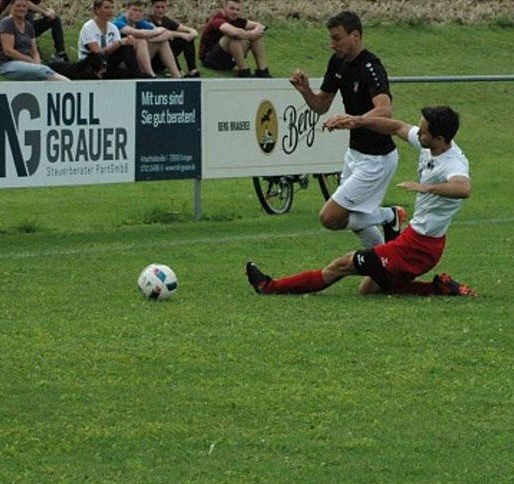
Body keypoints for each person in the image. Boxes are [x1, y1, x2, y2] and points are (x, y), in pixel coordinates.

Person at [246, 106, 476, 297]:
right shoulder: (431, 144)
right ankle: (440, 288)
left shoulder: (453, 163)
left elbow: (464, 188)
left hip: (418, 248)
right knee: (369, 290)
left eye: (424, 133)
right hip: (417, 241)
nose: (419, 135)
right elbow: (397, 127)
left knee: (341, 265)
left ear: (440, 139)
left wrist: (427, 188)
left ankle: (269, 286)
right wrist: (358, 121)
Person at [289, 10, 400, 249]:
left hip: (377, 158)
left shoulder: (371, 67)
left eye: (337, 38)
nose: (332, 44)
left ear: (355, 35)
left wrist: (355, 120)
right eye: (330, 38)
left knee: (330, 217)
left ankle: (390, 216)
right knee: (355, 221)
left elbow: (385, 110)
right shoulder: (337, 63)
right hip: (355, 154)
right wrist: (305, 91)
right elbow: (321, 105)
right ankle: (383, 263)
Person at [0, 0, 68, 81]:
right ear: (12, 7)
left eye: (24, 6)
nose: (21, 9)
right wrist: (31, 61)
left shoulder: (28, 26)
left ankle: (60, 53)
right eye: (18, 6)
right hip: (7, 64)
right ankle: (69, 85)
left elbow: (34, 51)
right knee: (43, 71)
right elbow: (8, 51)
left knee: (43, 75)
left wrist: (37, 63)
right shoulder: (7, 23)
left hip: (27, 64)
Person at [199, 0, 270, 78]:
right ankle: (243, 71)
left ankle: (262, 71)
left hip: (228, 61)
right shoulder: (218, 20)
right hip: (210, 60)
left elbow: (260, 26)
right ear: (224, 8)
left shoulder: (236, 20)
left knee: (257, 37)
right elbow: (234, 32)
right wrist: (251, 34)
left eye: (237, 10)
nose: (235, 12)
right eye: (232, 9)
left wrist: (256, 32)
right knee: (234, 37)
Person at [113, 0, 181, 78]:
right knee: (141, 41)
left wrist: (150, 39)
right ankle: (151, 75)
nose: (138, 13)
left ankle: (177, 75)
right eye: (134, 10)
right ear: (127, 9)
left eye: (140, 11)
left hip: (138, 59)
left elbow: (166, 33)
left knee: (162, 42)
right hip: (122, 63)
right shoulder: (118, 23)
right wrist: (156, 31)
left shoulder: (140, 22)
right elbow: (139, 33)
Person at [78, 0, 142, 79]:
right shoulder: (88, 27)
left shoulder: (113, 28)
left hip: (107, 63)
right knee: (99, 57)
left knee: (126, 48)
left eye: (112, 8)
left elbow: (116, 50)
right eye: (106, 8)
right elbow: (97, 52)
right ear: (97, 10)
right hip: (90, 65)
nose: (110, 11)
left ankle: (138, 77)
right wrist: (119, 43)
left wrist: (127, 42)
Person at [145, 0, 199, 77]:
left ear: (166, 8)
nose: (160, 10)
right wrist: (182, 35)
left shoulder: (166, 20)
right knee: (166, 40)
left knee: (186, 39)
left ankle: (192, 70)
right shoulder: (147, 20)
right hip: (152, 58)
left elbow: (184, 28)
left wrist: (192, 32)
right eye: (157, 7)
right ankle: (177, 71)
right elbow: (163, 32)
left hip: (163, 58)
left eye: (163, 7)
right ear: (152, 7)